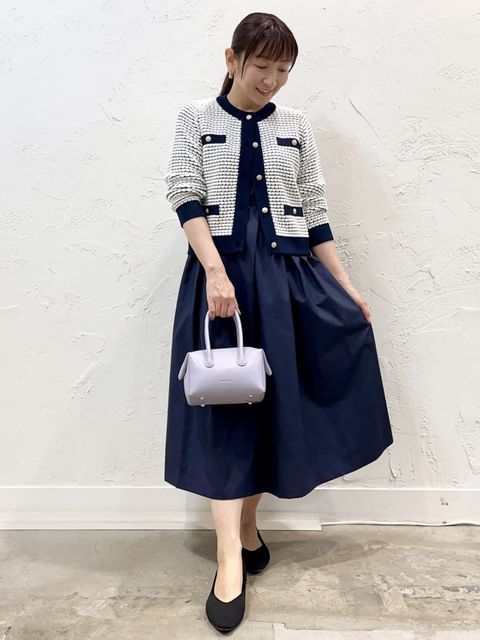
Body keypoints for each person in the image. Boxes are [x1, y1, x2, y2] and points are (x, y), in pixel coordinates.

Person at [163, 12, 394, 633]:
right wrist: (215, 273)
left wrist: (345, 285)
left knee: (272, 406)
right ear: (232, 59)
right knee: (224, 412)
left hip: (288, 279)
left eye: (283, 70)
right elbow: (184, 194)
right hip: (223, 282)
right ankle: (228, 561)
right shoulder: (195, 118)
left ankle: (247, 525)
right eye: (261, 66)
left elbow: (314, 209)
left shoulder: (294, 125)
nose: (271, 80)